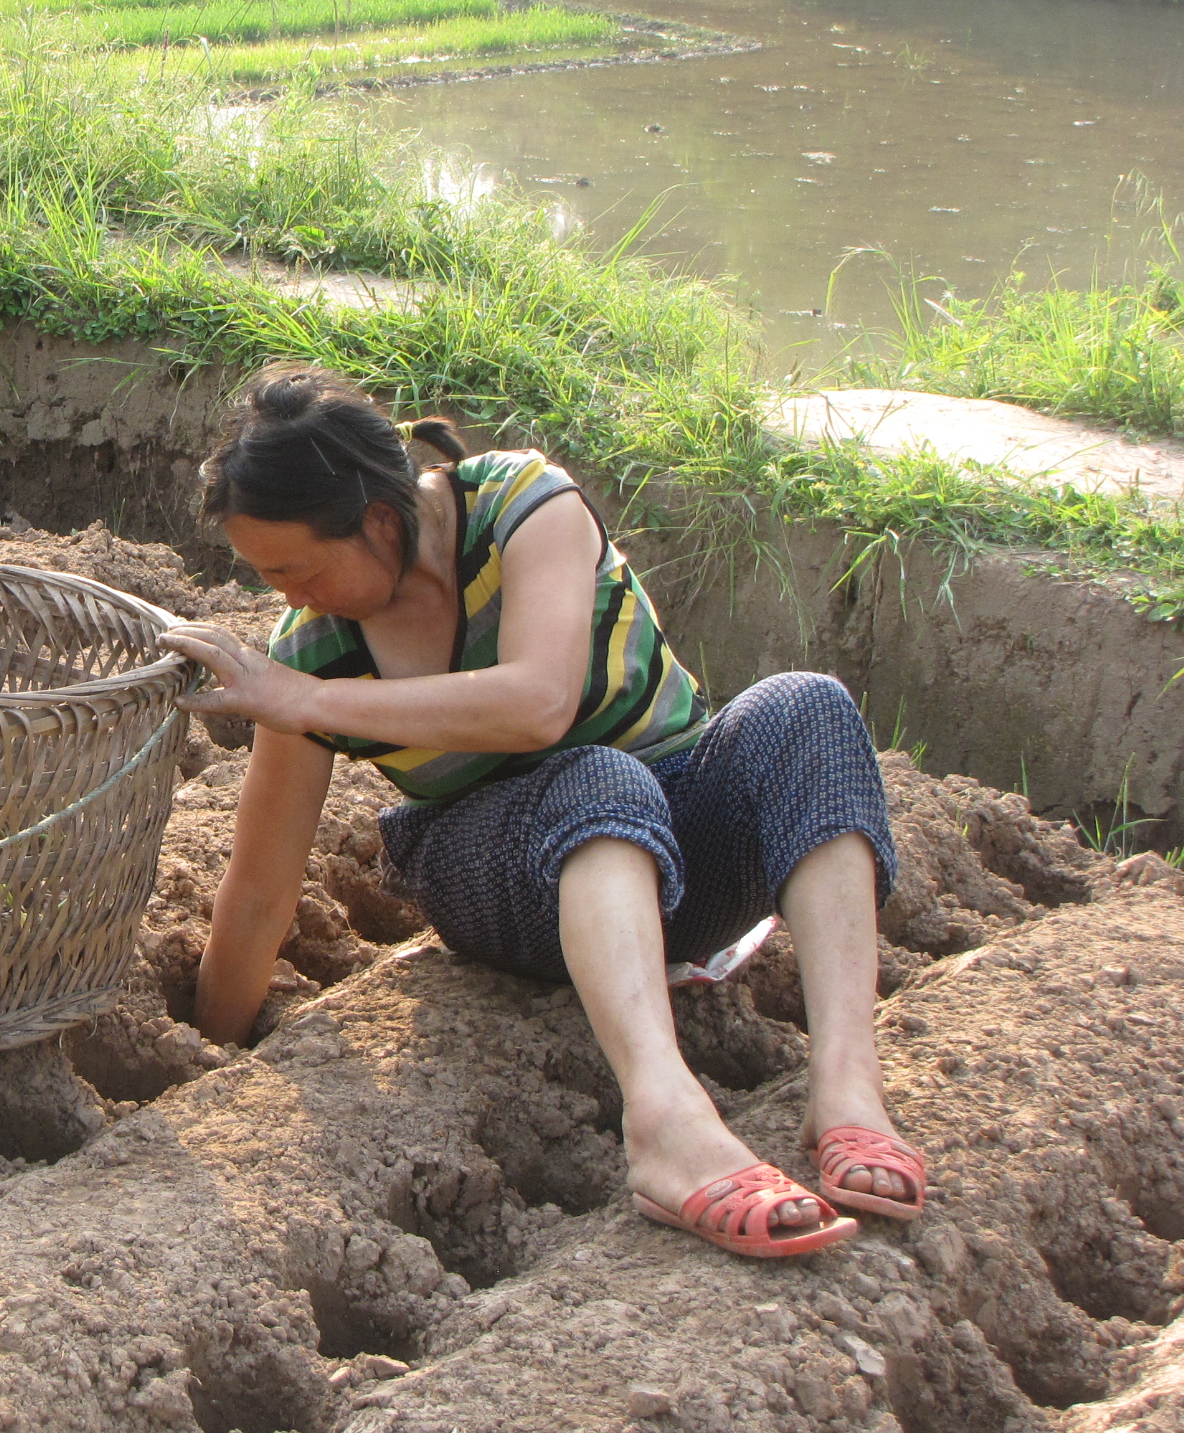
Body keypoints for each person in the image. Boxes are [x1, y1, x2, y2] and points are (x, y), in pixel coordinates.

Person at [156, 366, 925, 1259]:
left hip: (684, 845)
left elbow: (539, 702)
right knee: (595, 781)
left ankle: (848, 1085)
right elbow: (258, 894)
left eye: (296, 568)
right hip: (510, 888)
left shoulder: (525, 503)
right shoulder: (314, 657)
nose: (284, 597)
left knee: (809, 708)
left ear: (375, 520)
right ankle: (667, 1122)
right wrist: (208, 1055)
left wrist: (302, 701)